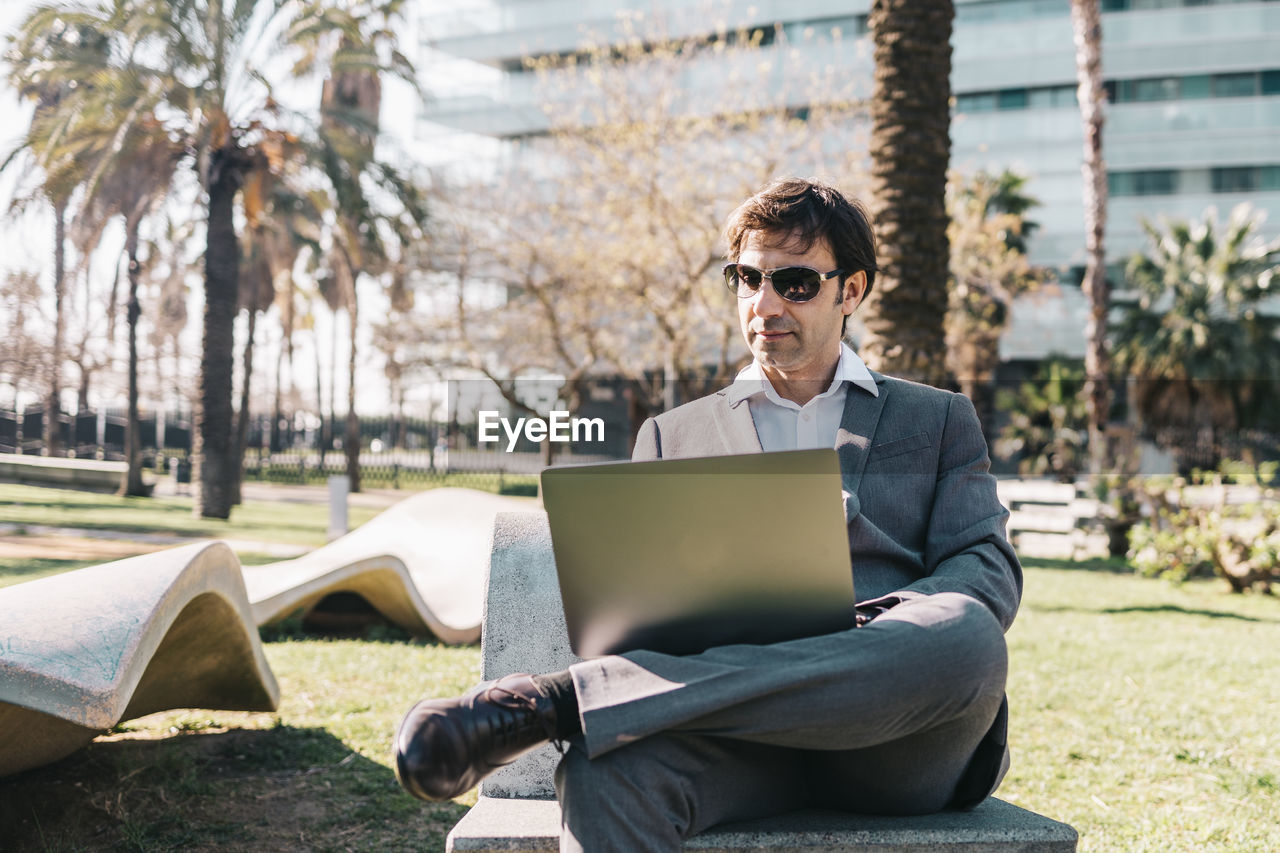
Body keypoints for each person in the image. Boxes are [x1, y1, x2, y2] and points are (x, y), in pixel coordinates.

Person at [394, 177, 1022, 851]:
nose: (765, 302)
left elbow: (989, 573)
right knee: (603, 774)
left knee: (969, 633)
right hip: (731, 741)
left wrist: (866, 625)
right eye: (748, 278)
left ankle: (556, 702)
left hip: (895, 746)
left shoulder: (937, 420)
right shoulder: (672, 436)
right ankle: (567, 707)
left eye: (796, 283)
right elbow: (639, 619)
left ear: (853, 291)